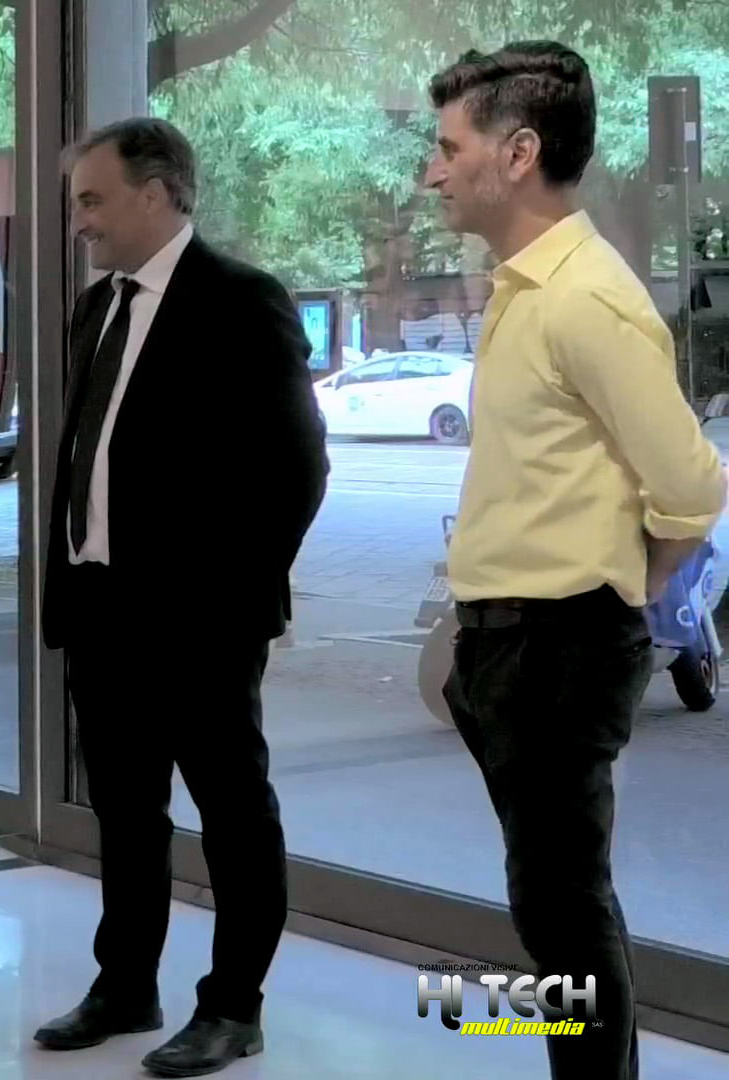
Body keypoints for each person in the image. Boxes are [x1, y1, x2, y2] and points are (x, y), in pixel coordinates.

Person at [425, 43, 726, 1080]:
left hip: (558, 647)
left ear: (518, 154)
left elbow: (690, 485)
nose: (431, 172)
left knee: (564, 909)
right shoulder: (524, 288)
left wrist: (635, 582)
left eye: (448, 147)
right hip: (509, 646)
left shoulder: (583, 298)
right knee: (553, 907)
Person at [35, 118, 328, 1078]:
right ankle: (126, 985)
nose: (79, 220)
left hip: (203, 624)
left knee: (233, 816)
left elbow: (297, 469)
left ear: (156, 194)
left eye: (92, 199)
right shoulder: (96, 307)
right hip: (100, 609)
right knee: (126, 813)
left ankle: (234, 1007)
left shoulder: (241, 301)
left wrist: (233, 599)